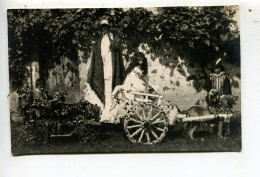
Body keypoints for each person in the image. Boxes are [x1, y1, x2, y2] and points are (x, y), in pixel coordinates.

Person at [86, 18, 125, 121]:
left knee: (111, 92)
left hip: (111, 70)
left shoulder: (113, 39)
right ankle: (103, 113)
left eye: (106, 27)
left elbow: (117, 56)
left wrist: (115, 45)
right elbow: (96, 57)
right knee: (103, 91)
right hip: (102, 71)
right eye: (102, 27)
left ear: (108, 28)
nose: (104, 29)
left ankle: (111, 114)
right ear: (101, 28)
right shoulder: (99, 41)